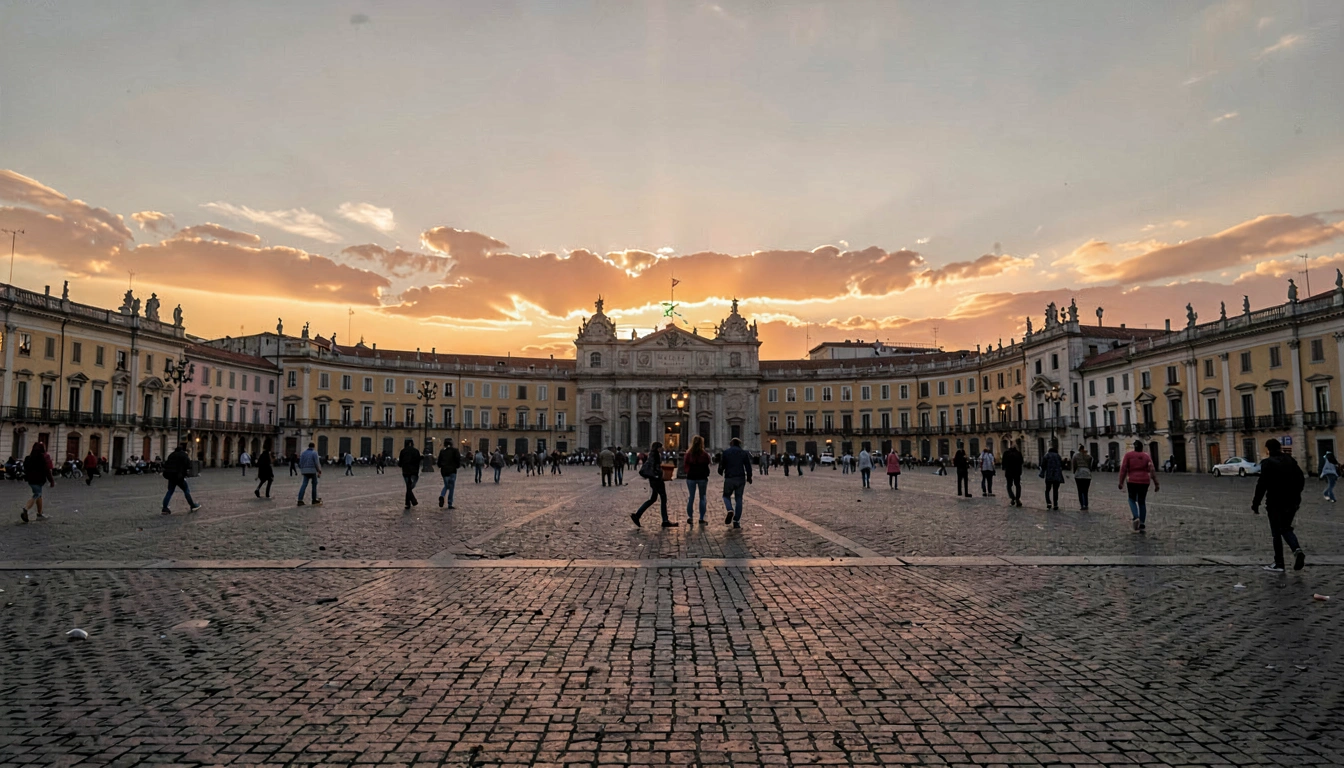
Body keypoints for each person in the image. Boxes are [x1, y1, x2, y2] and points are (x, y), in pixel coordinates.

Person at [1253, 438, 1307, 572]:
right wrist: (1296, 495)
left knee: (1276, 533)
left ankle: (1279, 563)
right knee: (1285, 528)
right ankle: (1297, 550)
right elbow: (1301, 479)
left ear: (1268, 449)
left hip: (1275, 502)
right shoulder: (1290, 460)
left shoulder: (1267, 463)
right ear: (1280, 447)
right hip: (1292, 502)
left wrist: (1256, 503)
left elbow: (1262, 484)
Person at [632, 441, 675, 528]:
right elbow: (654, 467)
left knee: (653, 499)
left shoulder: (652, 454)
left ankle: (637, 515)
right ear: (657, 448)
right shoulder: (655, 455)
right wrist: (660, 473)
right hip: (656, 479)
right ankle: (665, 520)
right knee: (663, 498)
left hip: (653, 479)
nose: (662, 449)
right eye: (660, 447)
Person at [1117, 440, 1158, 531]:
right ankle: (1142, 522)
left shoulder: (1128, 456)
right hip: (1144, 481)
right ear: (1141, 447)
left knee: (1131, 499)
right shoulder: (1146, 456)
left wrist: (1121, 482)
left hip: (1132, 480)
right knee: (1142, 501)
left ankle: (1136, 516)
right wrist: (1156, 483)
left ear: (1134, 447)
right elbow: (1152, 469)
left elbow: (1123, 469)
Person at [720, 437, 753, 527]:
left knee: (726, 496)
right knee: (739, 499)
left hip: (729, 477)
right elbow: (748, 466)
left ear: (731, 443)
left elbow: (722, 464)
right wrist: (749, 477)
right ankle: (736, 521)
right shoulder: (743, 453)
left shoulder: (726, 452)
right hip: (740, 478)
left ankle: (730, 509)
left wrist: (720, 471)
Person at [161, 444, 201, 516]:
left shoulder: (171, 455)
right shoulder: (183, 455)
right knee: (186, 490)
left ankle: (164, 508)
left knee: (170, 491)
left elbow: (166, 464)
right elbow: (188, 465)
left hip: (171, 476)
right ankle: (192, 505)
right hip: (179, 476)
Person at [19, 442, 55, 523]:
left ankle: (39, 514)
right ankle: (26, 508)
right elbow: (47, 470)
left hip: (30, 480)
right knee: (37, 494)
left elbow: (25, 468)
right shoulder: (41, 458)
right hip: (39, 480)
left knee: (39, 495)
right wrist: (51, 480)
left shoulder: (28, 458)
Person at [683, 435, 711, 525]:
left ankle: (690, 517)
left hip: (691, 477)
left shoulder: (688, 454)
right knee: (702, 497)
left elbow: (685, 465)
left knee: (691, 497)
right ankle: (701, 518)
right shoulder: (704, 454)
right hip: (702, 477)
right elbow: (708, 463)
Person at [436, 440, 461, 509]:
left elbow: (439, 462)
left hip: (444, 471)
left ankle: (442, 495)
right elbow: (458, 459)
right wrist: (457, 466)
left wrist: (441, 466)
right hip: (452, 470)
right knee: (451, 487)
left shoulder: (442, 451)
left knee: (446, 485)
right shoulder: (455, 451)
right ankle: (450, 503)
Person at [296, 442, 322, 506]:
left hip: (304, 470)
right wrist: (319, 470)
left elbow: (300, 463)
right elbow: (316, 462)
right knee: (314, 484)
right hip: (312, 470)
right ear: (314, 446)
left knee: (304, 484)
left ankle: (300, 500)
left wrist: (302, 468)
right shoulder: (314, 453)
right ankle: (314, 499)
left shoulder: (303, 453)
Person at [1039, 444, 1064, 510]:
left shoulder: (1046, 456)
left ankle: (1048, 503)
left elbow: (1042, 465)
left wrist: (1042, 473)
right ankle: (1055, 504)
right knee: (1055, 490)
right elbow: (1062, 465)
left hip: (1049, 475)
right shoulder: (1058, 456)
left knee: (1047, 490)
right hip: (1057, 476)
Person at [399, 439, 422, 509]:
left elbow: (400, 463)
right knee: (410, 487)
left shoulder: (402, 451)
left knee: (408, 487)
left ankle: (410, 502)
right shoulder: (416, 451)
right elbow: (418, 461)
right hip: (414, 472)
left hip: (405, 471)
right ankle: (410, 502)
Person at [1072, 446, 1092, 511]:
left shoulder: (1075, 456)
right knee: (1085, 491)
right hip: (1087, 474)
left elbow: (1074, 464)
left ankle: (1082, 505)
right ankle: (1086, 504)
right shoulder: (1088, 456)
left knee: (1080, 490)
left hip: (1079, 474)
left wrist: (1074, 471)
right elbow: (1090, 465)